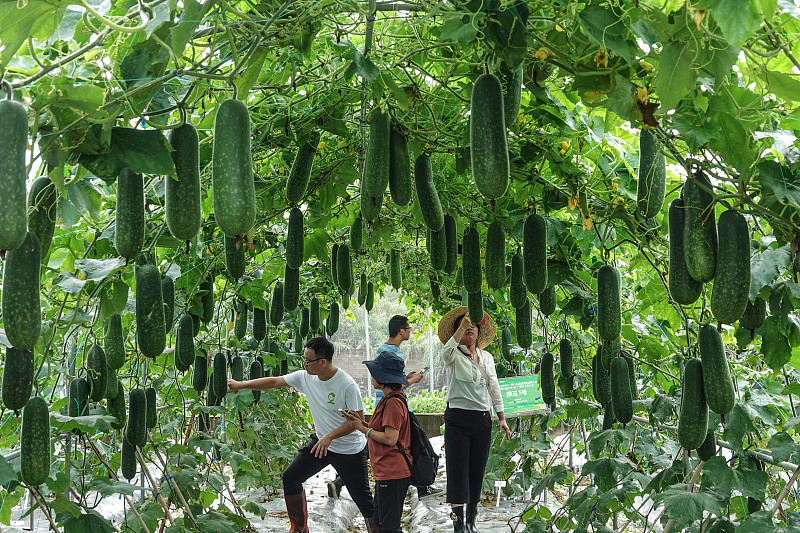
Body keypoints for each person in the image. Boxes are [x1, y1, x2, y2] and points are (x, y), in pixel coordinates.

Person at [227, 336, 378, 533]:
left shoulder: (346, 384)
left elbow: (357, 422)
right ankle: (299, 528)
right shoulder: (305, 377)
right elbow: (274, 381)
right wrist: (240, 385)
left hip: (349, 450)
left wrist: (330, 436)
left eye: (308, 360)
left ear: (322, 362)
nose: (304, 364)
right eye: (303, 360)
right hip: (322, 443)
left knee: (364, 501)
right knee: (290, 477)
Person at [328, 315, 442, 499]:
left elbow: (392, 379)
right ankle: (422, 486)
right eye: (408, 328)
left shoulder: (386, 349)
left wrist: (407, 376)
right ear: (401, 331)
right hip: (394, 404)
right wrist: (412, 380)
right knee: (417, 445)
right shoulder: (393, 353)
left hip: (385, 405)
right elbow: (391, 383)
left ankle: (339, 480)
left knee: (374, 444)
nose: (409, 332)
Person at [437, 307, 512, 533]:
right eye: (465, 326)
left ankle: (471, 521)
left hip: (481, 419)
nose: (470, 328)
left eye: (474, 326)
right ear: (458, 331)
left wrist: (501, 417)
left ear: (479, 333)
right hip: (457, 418)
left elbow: (494, 387)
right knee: (458, 470)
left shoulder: (487, 358)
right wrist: (461, 327)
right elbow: (444, 352)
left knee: (476, 471)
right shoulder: (452, 353)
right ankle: (458, 524)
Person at [341, 352, 412, 533]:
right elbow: (380, 430)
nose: (371, 377)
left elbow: (390, 439)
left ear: (383, 377)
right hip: (386, 472)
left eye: (374, 373)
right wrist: (359, 422)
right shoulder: (388, 399)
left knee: (389, 526)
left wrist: (361, 428)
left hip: (393, 472)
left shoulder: (393, 403)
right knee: (380, 521)